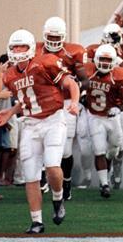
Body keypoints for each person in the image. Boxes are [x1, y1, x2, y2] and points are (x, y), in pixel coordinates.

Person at [0, 29, 80, 234]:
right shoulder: (10, 75)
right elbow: (26, 99)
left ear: (31, 47)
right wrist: (11, 111)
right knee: (30, 175)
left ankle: (58, 198)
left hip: (53, 120)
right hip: (30, 124)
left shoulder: (46, 62)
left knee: (52, 166)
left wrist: (75, 102)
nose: (17, 50)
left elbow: (70, 83)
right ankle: (36, 221)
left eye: (21, 46)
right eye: (14, 46)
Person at [36, 16, 88, 200]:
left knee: (65, 149)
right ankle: (42, 178)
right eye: (51, 37)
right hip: (42, 101)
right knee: (40, 140)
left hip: (66, 102)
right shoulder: (35, 50)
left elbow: (84, 80)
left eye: (58, 38)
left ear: (63, 37)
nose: (54, 42)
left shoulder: (74, 52)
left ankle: (66, 181)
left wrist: (76, 96)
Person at [83, 44, 123, 198]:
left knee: (114, 149)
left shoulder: (119, 76)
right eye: (102, 59)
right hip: (95, 117)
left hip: (112, 118)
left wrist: (118, 108)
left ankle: (108, 169)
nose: (105, 63)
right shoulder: (87, 72)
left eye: (108, 60)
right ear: (96, 60)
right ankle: (104, 184)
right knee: (99, 150)